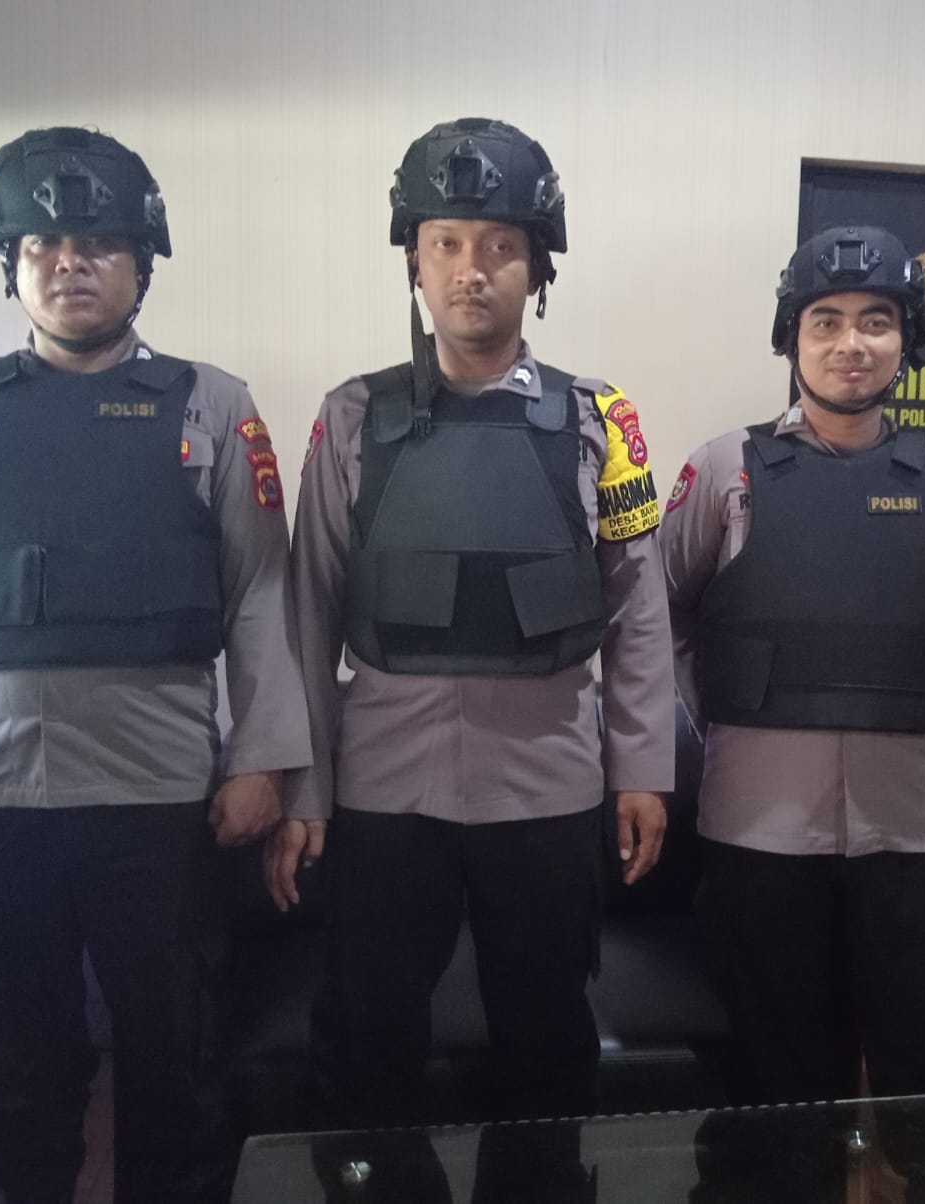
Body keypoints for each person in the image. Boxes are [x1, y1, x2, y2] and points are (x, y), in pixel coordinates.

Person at [0, 126, 311, 1204]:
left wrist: (263, 759)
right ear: (9, 264)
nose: (69, 263)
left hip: (164, 804)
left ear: (142, 261)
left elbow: (262, 595)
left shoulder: (212, 404)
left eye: (97, 242)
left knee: (177, 1063)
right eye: (41, 244)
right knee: (13, 1072)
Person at [270, 117, 674, 1128]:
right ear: (413, 257)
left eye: (500, 245)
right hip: (383, 791)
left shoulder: (601, 419)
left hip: (547, 786)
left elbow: (637, 609)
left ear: (537, 266)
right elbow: (308, 611)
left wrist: (641, 772)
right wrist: (303, 787)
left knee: (547, 1046)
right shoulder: (351, 415)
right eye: (445, 242)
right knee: (366, 1050)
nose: (471, 270)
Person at [661, 224, 925, 1146]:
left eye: (876, 321)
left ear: (906, 340)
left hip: (906, 828)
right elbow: (665, 613)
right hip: (758, 830)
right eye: (826, 321)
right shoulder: (723, 469)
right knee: (769, 1082)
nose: (851, 343)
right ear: (792, 337)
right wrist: (735, 705)